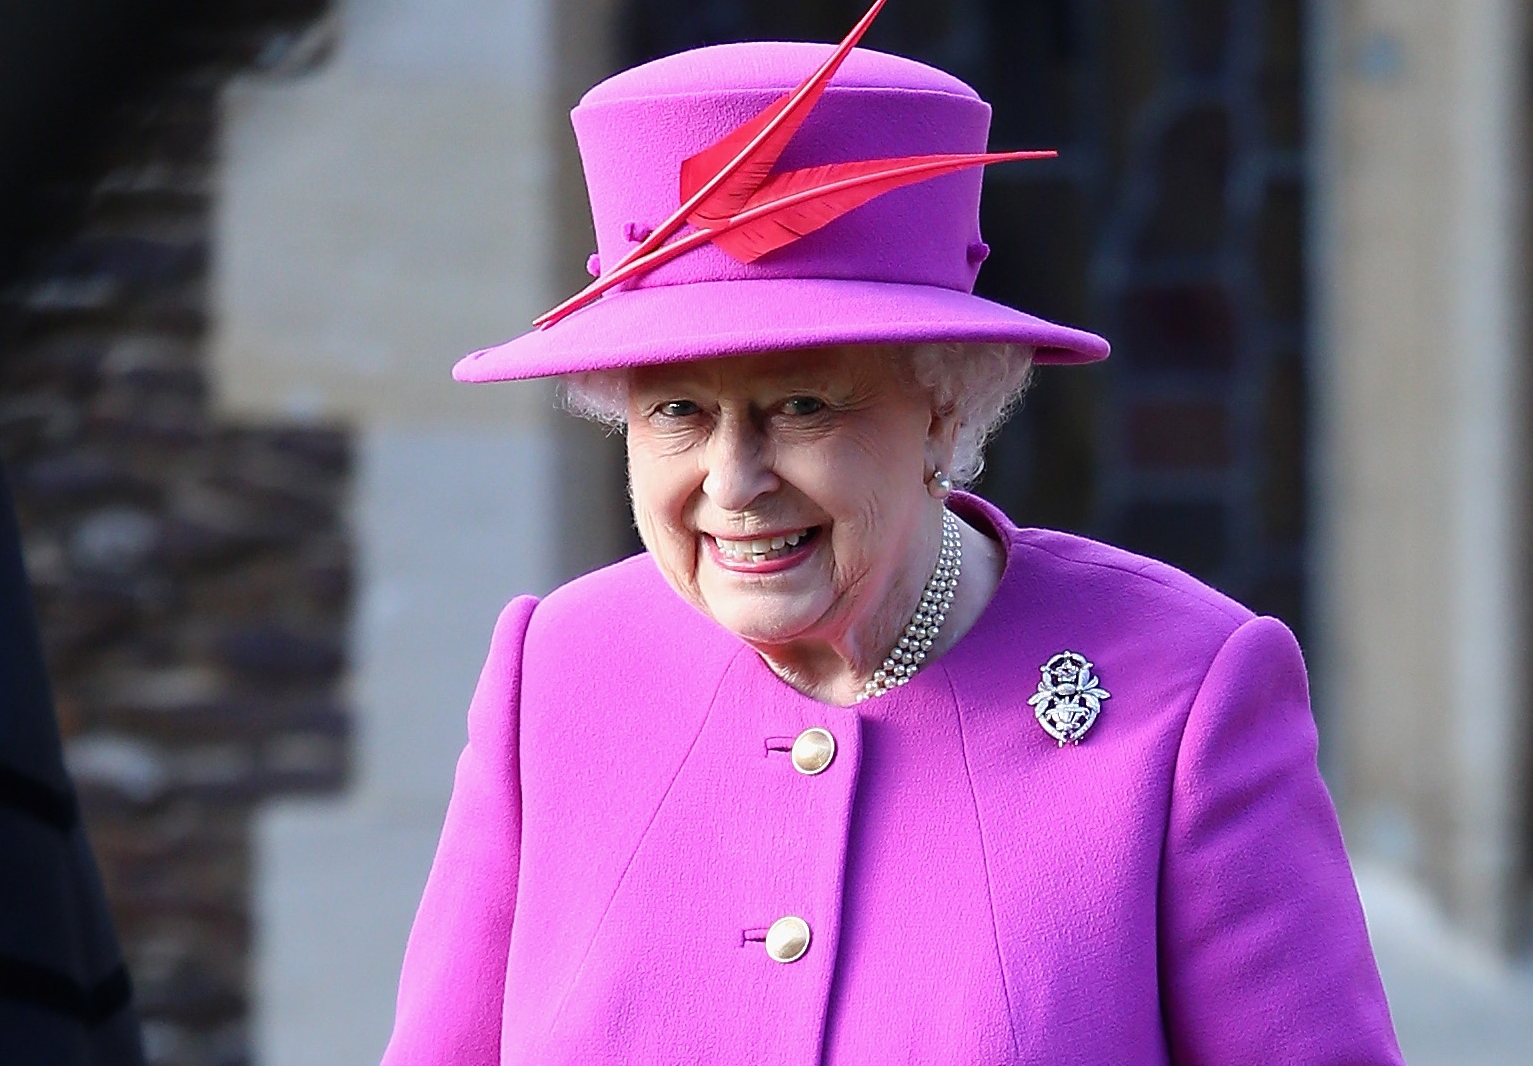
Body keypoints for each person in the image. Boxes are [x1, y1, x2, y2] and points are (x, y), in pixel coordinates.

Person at [381, 6, 1403, 1063]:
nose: (733, 482)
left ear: (944, 409)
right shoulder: (557, 671)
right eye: (678, 411)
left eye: (802, 406)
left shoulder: (1185, 693)